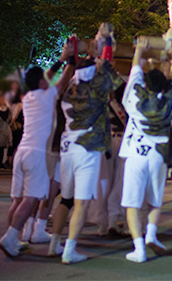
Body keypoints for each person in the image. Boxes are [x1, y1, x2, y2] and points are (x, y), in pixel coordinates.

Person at [0, 41, 76, 257]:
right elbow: (65, 78)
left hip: (21, 152)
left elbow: (47, 78)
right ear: (41, 82)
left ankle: (14, 238)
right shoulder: (46, 95)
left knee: (17, 199)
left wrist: (59, 59)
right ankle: (10, 237)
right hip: (37, 155)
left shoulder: (29, 96)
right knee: (31, 199)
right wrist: (70, 57)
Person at [51, 40, 123, 264]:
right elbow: (113, 79)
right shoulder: (97, 92)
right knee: (81, 203)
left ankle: (54, 243)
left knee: (66, 198)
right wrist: (105, 53)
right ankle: (70, 249)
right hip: (87, 150)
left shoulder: (66, 93)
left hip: (67, 148)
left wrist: (73, 57)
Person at [119, 35, 172, 263]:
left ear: (145, 85)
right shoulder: (171, 99)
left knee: (133, 203)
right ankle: (152, 234)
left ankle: (138, 248)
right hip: (158, 155)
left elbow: (135, 72)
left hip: (136, 153)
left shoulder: (134, 97)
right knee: (155, 199)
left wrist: (139, 50)